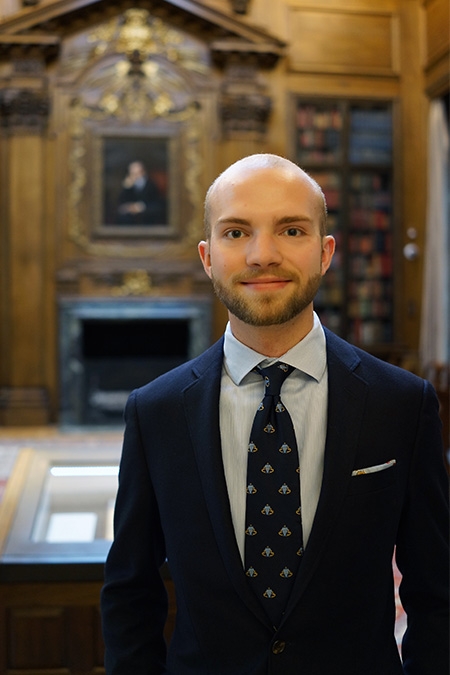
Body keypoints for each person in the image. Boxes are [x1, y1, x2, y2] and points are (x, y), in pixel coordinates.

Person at [101, 154, 449, 674]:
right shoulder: (155, 413)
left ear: (326, 251)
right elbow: (131, 593)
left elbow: (437, 593)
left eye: (291, 229)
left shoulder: (402, 403)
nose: (263, 255)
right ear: (207, 256)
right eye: (237, 232)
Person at [117, 160, 166, 225]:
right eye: (133, 174)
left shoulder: (151, 185)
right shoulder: (128, 186)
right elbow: (122, 203)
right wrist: (127, 188)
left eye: (138, 173)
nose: (135, 176)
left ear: (143, 172)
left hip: (148, 216)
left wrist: (140, 207)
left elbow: (157, 205)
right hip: (131, 220)